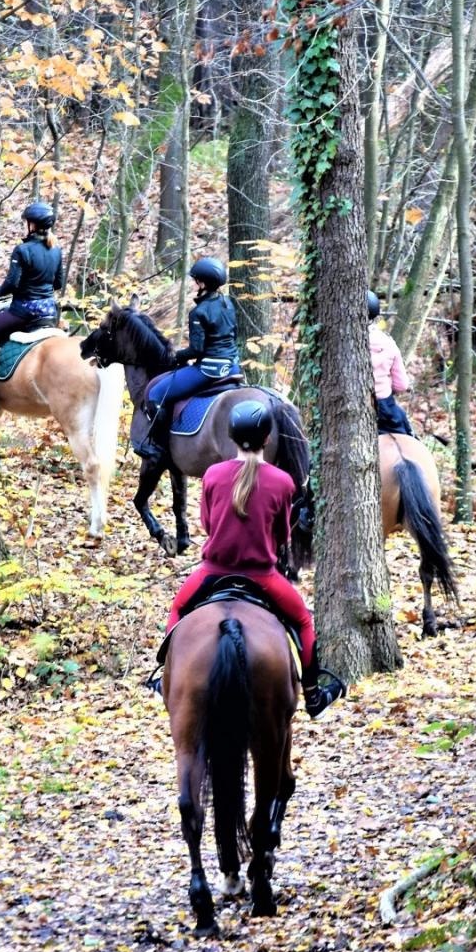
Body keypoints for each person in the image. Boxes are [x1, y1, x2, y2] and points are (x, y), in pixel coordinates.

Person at [166, 401, 346, 717]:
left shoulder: (212, 475)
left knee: (179, 608)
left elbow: (208, 524)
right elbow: (281, 536)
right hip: (263, 576)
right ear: (267, 439)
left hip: (212, 572)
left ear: (232, 437)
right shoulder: (282, 482)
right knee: (303, 620)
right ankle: (314, 695)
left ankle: (163, 679)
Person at [135, 257, 241, 463]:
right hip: (232, 366)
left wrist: (177, 356)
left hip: (209, 369)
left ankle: (159, 448)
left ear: (202, 284)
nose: (194, 284)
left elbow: (197, 349)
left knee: (156, 394)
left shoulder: (198, 312)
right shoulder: (228, 303)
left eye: (195, 280)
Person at [0, 201, 65, 344]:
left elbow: (11, 284)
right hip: (49, 312)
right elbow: (58, 284)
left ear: (32, 225)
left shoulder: (22, 250)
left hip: (23, 312)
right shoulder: (56, 250)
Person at [369, 290, 414, 436]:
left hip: (352, 405)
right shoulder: (388, 343)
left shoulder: (343, 342)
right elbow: (401, 385)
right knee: (407, 433)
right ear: (377, 316)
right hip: (384, 408)